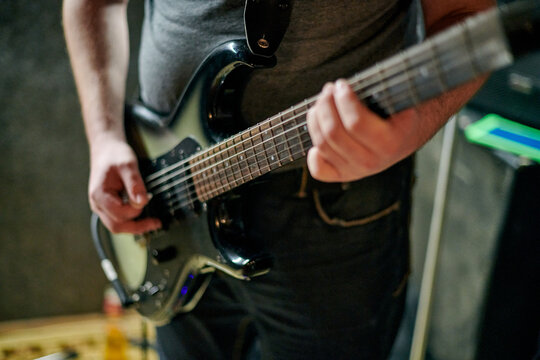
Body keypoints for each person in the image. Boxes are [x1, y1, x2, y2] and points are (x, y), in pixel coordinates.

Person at [63, 0, 493, 359]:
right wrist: (104, 137)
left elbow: (468, 16)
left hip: (334, 208)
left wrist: (413, 125)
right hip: (159, 184)